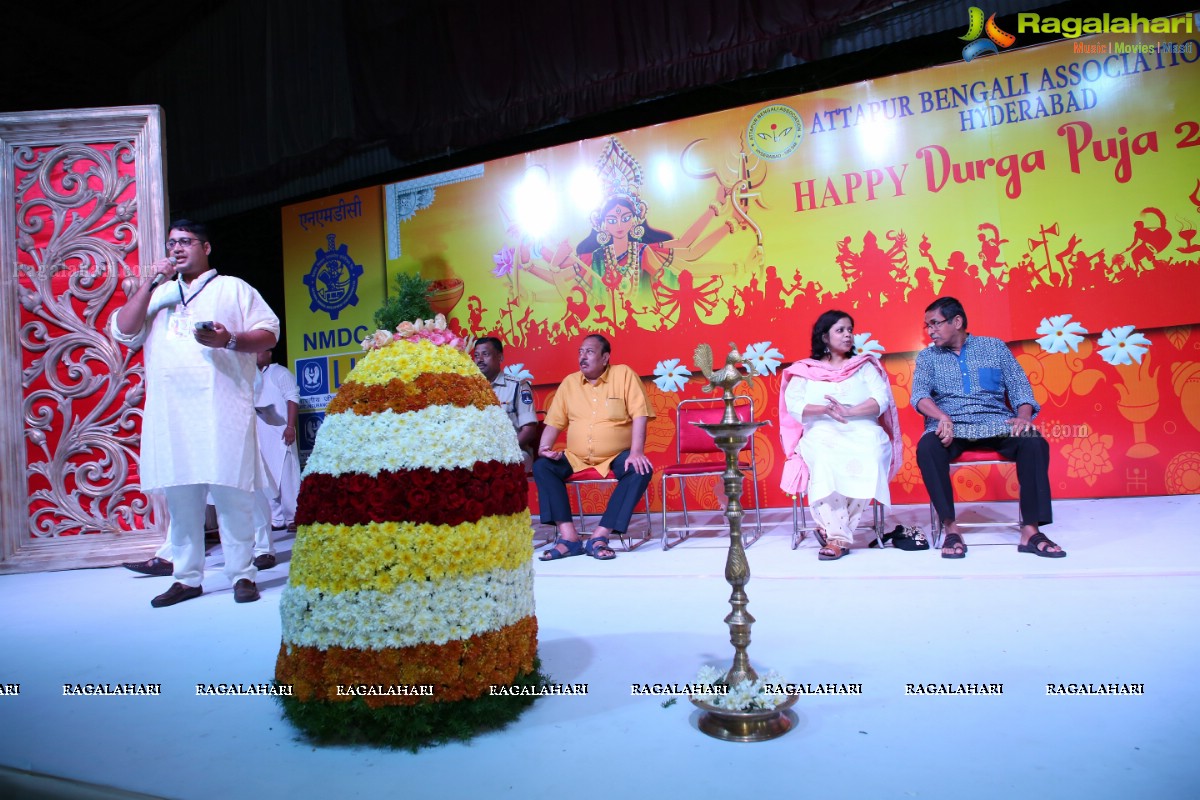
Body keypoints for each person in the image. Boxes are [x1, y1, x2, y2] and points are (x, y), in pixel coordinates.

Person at [110, 220, 280, 606]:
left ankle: (242, 575)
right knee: (181, 500)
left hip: (222, 410)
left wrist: (230, 339)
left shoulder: (232, 288)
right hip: (172, 415)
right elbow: (123, 329)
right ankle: (187, 578)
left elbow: (269, 332)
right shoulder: (161, 293)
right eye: (172, 243)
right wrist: (151, 282)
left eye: (186, 242)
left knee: (232, 496)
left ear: (206, 248)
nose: (177, 249)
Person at [912, 296, 1064, 559]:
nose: (930, 331)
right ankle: (951, 528)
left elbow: (1020, 389)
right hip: (952, 427)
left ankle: (1030, 530)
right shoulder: (928, 357)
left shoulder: (994, 348)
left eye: (935, 324)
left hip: (995, 422)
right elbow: (919, 396)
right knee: (927, 448)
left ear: (957, 321)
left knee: (1033, 441)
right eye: (927, 326)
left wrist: (1024, 417)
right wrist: (942, 417)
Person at [780, 311, 901, 560]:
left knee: (872, 453)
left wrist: (850, 411)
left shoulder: (864, 366)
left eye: (850, 330)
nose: (848, 335)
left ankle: (835, 534)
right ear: (825, 337)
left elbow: (881, 399)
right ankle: (839, 536)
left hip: (863, 428)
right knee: (825, 458)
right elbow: (794, 405)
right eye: (841, 330)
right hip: (822, 430)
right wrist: (824, 409)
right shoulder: (805, 370)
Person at [534, 334, 654, 561]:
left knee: (641, 469)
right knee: (543, 467)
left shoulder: (624, 375)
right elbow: (554, 421)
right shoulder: (570, 383)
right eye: (580, 352)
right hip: (576, 457)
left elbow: (640, 414)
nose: (582, 357)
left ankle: (600, 536)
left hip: (615, 455)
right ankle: (569, 538)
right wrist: (544, 447)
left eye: (589, 352)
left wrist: (637, 452)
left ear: (605, 357)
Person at [248, 347, 301, 569]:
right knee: (266, 479)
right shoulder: (249, 375)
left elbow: (292, 399)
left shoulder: (280, 373)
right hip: (259, 435)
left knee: (286, 475)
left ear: (268, 352)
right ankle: (276, 519)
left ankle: (294, 517)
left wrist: (290, 426)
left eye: (258, 351)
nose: (254, 354)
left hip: (281, 432)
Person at [472, 337, 538, 469]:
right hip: (476, 453)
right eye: (476, 355)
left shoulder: (517, 386)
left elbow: (529, 430)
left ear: (500, 357)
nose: (479, 360)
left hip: (511, 451)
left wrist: (504, 449)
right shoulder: (468, 388)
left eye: (485, 354)